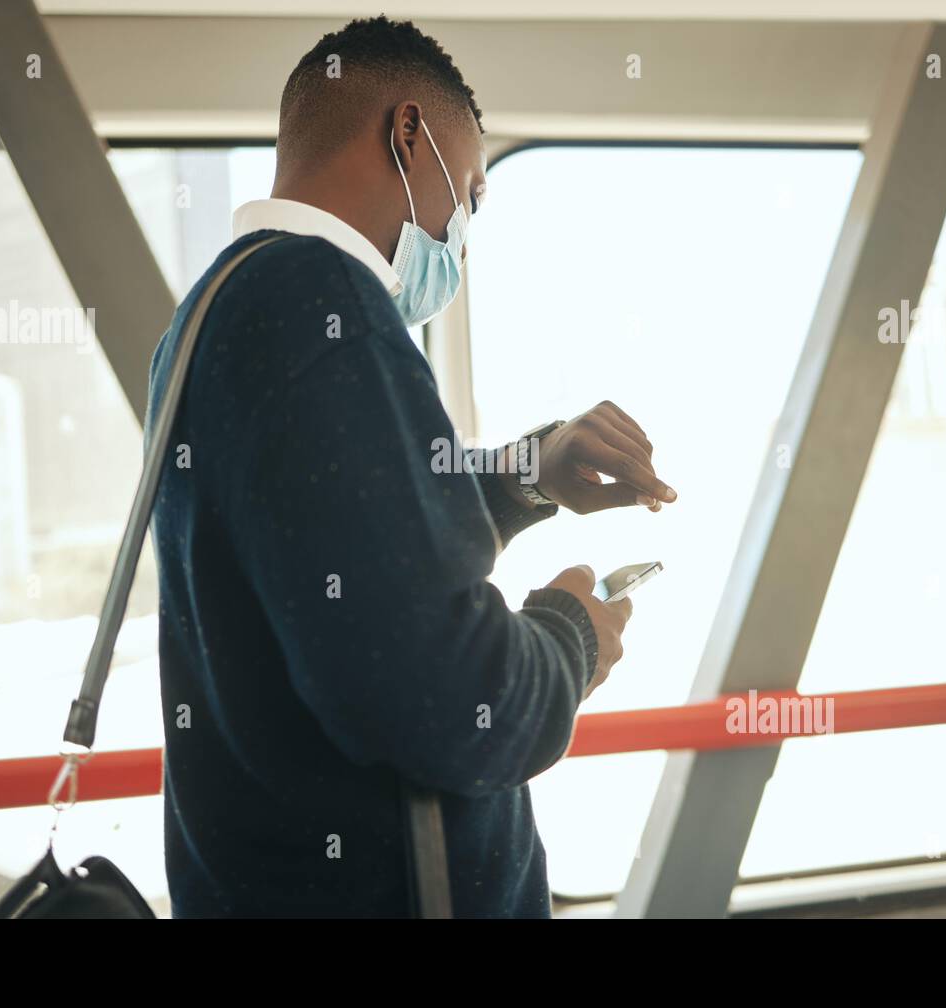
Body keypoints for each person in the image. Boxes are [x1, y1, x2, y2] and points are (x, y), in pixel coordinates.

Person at [147, 15, 677, 918]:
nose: (460, 234)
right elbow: (451, 702)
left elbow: (344, 544)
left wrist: (526, 470)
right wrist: (573, 633)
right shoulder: (329, 307)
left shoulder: (214, 311)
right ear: (405, 135)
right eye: (467, 192)